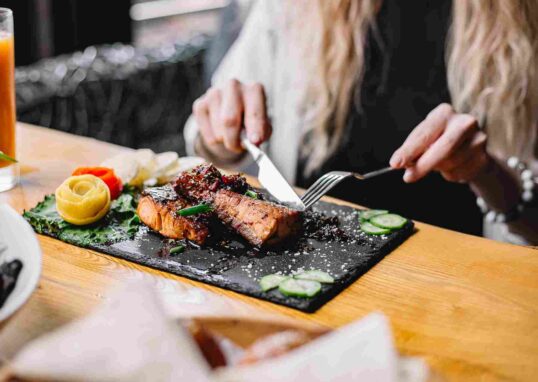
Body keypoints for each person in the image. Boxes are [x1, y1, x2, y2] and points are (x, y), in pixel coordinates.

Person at [184, 0, 538, 245]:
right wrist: (223, 135)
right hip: (305, 264)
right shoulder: (292, 8)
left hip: (460, 281)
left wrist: (486, 171)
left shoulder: (524, 20)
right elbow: (207, 132)